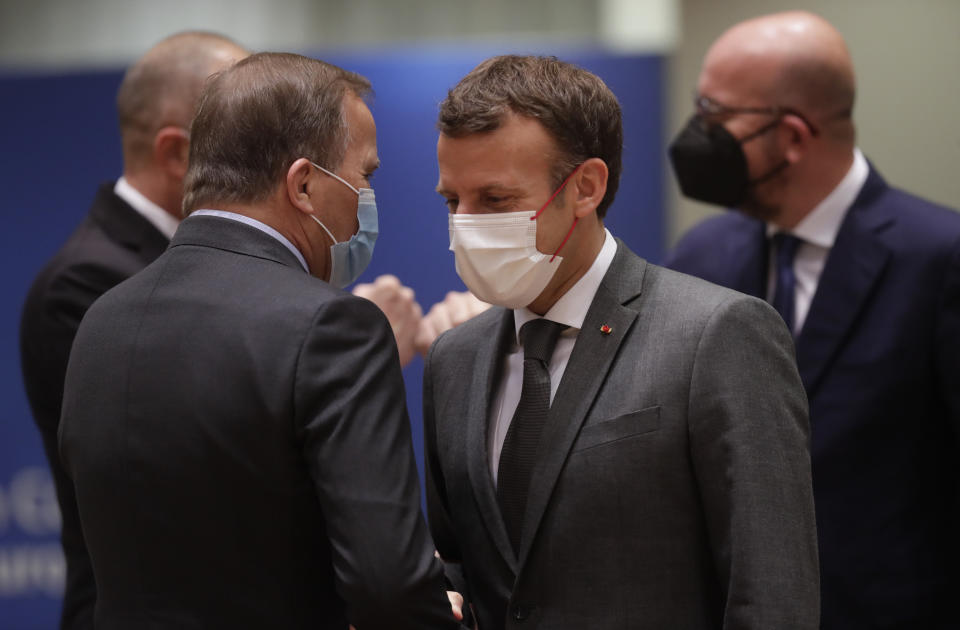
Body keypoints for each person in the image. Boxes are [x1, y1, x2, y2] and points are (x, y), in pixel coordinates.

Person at [59, 52, 462, 629]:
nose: (366, 199)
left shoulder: (101, 321)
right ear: (302, 184)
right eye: (364, 175)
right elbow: (387, 586)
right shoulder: (333, 328)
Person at [423, 54, 820, 629]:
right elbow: (467, 564)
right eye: (452, 201)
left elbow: (773, 595)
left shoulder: (716, 333)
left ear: (585, 187)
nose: (466, 223)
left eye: (496, 200)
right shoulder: (454, 358)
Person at [665, 12, 960, 629]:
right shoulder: (701, 255)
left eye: (716, 113)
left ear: (794, 136)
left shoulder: (940, 259)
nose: (697, 133)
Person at [18, 31, 248, 630]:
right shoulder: (87, 283)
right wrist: (326, 371)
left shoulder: (206, 262)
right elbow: (184, 466)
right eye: (246, 135)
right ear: (177, 153)